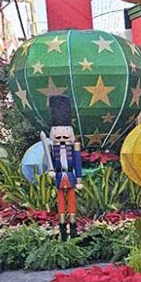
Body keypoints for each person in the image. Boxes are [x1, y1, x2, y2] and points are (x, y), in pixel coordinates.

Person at [46, 95, 83, 241]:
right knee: (61, 202)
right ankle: (62, 229)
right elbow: (50, 161)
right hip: (60, 176)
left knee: (72, 202)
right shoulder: (52, 148)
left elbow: (77, 163)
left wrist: (79, 179)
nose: (62, 137)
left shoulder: (74, 148)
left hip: (70, 176)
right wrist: (51, 170)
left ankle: (73, 229)